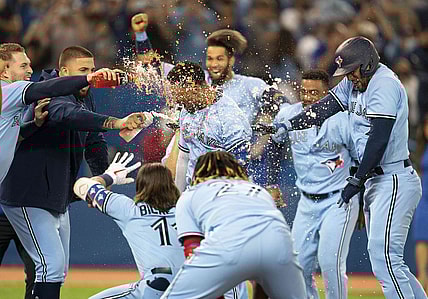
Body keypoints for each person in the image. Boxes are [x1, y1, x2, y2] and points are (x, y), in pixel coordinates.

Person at [278, 36, 427, 298]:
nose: (348, 76)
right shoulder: (354, 84)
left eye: (352, 70)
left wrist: (356, 180)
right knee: (391, 263)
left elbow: (378, 139)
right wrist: (288, 124)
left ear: (368, 64)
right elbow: (324, 108)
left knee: (384, 259)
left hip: (392, 178)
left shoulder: (384, 85)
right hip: (377, 180)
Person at [0, 45, 152, 299]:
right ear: (64, 72)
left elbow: (92, 140)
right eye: (83, 71)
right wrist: (118, 123)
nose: (30, 70)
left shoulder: (78, 95)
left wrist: (104, 179)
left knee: (52, 270)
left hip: (51, 196)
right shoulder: (33, 91)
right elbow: (66, 114)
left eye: (92, 70)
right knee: (50, 267)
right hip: (28, 194)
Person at [160, 151, 306, 299]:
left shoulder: (191, 194)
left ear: (197, 173)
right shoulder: (258, 191)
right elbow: (264, 253)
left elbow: (192, 250)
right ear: (236, 169)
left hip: (229, 245)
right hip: (281, 246)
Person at [272, 69, 359, 298]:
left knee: (330, 261)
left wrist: (362, 198)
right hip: (306, 202)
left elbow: (360, 159)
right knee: (298, 264)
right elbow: (273, 146)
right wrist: (272, 182)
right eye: (304, 91)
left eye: (315, 92)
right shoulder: (289, 115)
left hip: (338, 199)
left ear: (328, 94)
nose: (308, 97)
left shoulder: (343, 119)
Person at [0, 42, 116, 185]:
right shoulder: (10, 90)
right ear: (5, 71)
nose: (30, 70)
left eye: (29, 65)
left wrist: (35, 124)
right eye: (23, 66)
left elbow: (13, 136)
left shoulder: (10, 97)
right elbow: (50, 88)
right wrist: (89, 78)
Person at [73, 152, 185, 299]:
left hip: (157, 284)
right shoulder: (185, 210)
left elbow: (81, 185)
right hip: (191, 285)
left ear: (140, 186)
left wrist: (109, 177)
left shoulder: (130, 210)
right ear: (171, 185)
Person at [166, 61, 251, 193]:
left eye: (180, 97)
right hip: (192, 192)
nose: (177, 102)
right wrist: (178, 198)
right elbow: (183, 158)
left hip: (220, 194)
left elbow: (240, 171)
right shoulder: (186, 110)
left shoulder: (230, 118)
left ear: (193, 87)